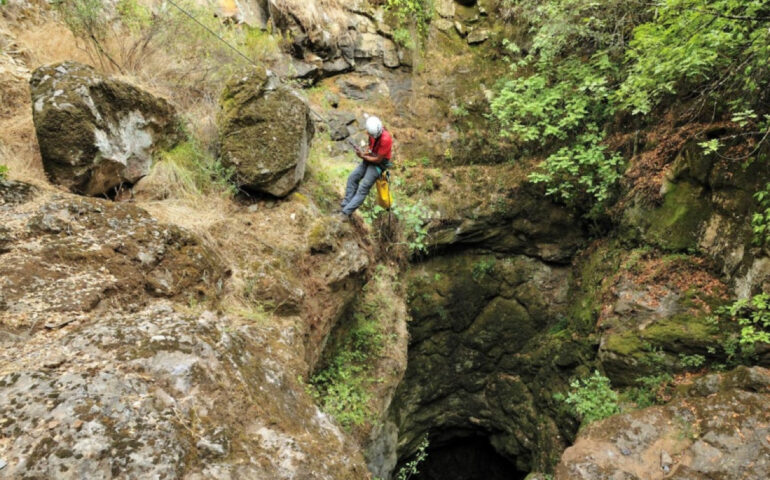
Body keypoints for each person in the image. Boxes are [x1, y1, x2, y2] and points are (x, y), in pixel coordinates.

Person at [339, 116, 392, 217]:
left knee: (363, 187)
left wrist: (363, 156)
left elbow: (378, 159)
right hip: (370, 157)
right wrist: (364, 152)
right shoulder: (371, 133)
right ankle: (345, 204)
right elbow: (370, 146)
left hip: (378, 164)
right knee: (352, 177)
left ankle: (345, 213)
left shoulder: (386, 139)